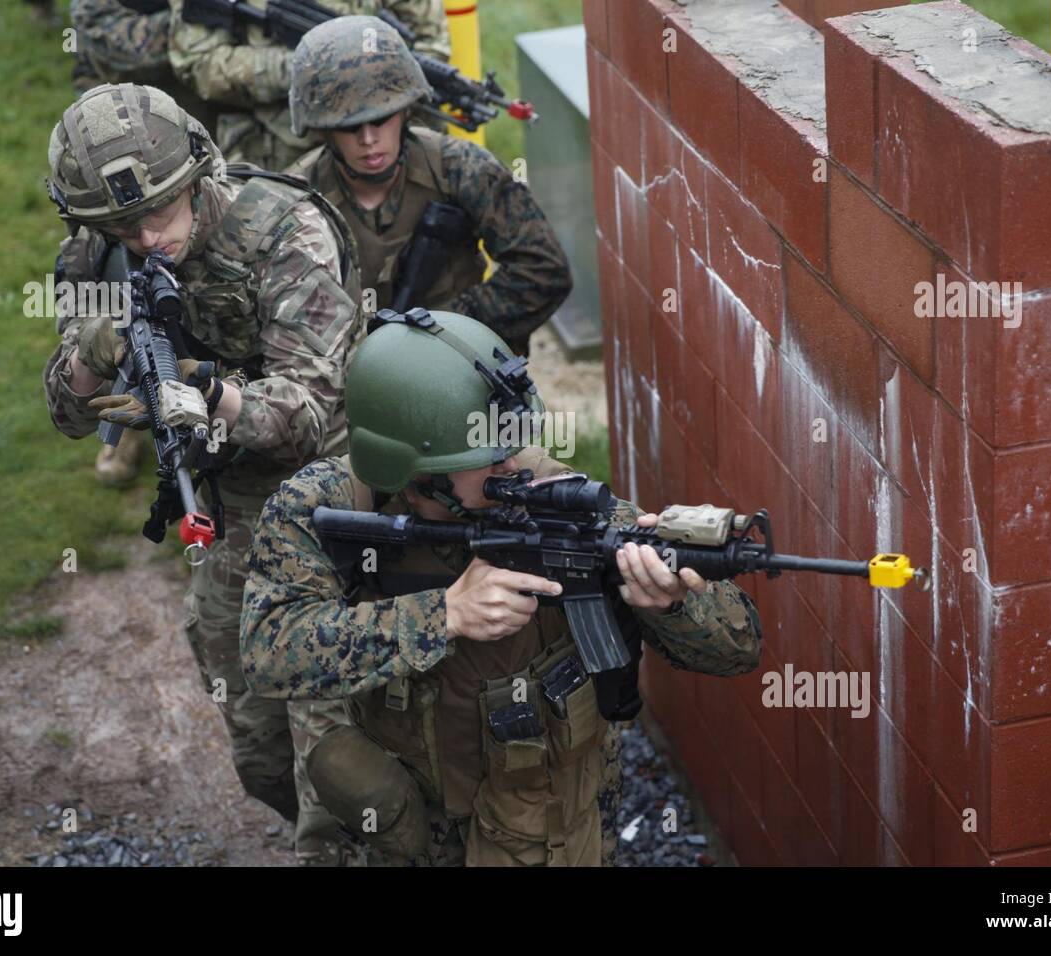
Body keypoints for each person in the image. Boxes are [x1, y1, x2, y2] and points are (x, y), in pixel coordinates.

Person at [240, 310, 764, 866]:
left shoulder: (548, 494)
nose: (514, 464)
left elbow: (738, 649)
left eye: (511, 444)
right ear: (418, 472)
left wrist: (673, 605)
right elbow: (268, 652)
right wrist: (443, 614)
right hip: (408, 819)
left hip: (549, 823)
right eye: (488, 456)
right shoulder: (322, 505)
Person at [41, 82, 364, 864]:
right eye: (123, 223)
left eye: (160, 212)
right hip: (227, 515)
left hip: (328, 504)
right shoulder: (94, 253)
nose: (147, 237)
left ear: (197, 174)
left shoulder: (285, 229)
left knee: (339, 765)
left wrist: (209, 397)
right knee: (257, 749)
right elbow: (69, 414)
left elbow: (310, 410)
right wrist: (93, 351)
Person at [285, 16, 571, 359]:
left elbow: (544, 271)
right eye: (349, 127)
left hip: (457, 363)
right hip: (344, 377)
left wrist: (442, 329)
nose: (369, 140)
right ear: (323, 129)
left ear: (406, 112)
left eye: (381, 119)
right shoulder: (297, 197)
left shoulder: (461, 168)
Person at [68, 0, 219, 485]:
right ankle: (131, 411)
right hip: (109, 154)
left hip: (199, 137)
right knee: (115, 298)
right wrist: (201, 26)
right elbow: (120, 42)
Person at [168, 0, 451, 171]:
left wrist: (372, 75)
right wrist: (304, 66)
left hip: (380, 138)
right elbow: (199, 64)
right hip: (272, 145)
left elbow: (430, 44)